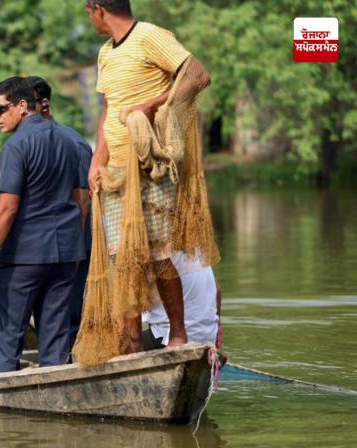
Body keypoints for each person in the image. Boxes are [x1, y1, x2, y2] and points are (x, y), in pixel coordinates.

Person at [85, 0, 213, 352]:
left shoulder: (150, 36)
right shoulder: (105, 53)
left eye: (87, 11)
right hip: (115, 171)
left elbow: (198, 75)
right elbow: (108, 110)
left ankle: (178, 334)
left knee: (157, 253)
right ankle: (131, 343)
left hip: (150, 165)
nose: (88, 18)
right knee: (119, 257)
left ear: (98, 8)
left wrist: (151, 106)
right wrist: (98, 159)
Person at [0, 77, 86, 373]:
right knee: (56, 338)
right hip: (66, 254)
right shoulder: (70, 139)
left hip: (23, 256)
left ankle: (6, 402)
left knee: (7, 335)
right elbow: (80, 200)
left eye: (0, 109)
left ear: (22, 106)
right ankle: (55, 399)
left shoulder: (16, 146)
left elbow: (7, 210)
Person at [26, 75, 93, 348]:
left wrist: (75, 247)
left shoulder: (71, 142)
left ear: (44, 104)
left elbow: (83, 200)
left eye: (27, 104)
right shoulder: (26, 142)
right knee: (47, 319)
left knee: (68, 316)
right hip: (40, 248)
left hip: (69, 246)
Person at [141, 252, 222, 350]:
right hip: (209, 338)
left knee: (125, 334)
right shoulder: (197, 248)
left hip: (168, 339)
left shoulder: (151, 249)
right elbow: (217, 290)